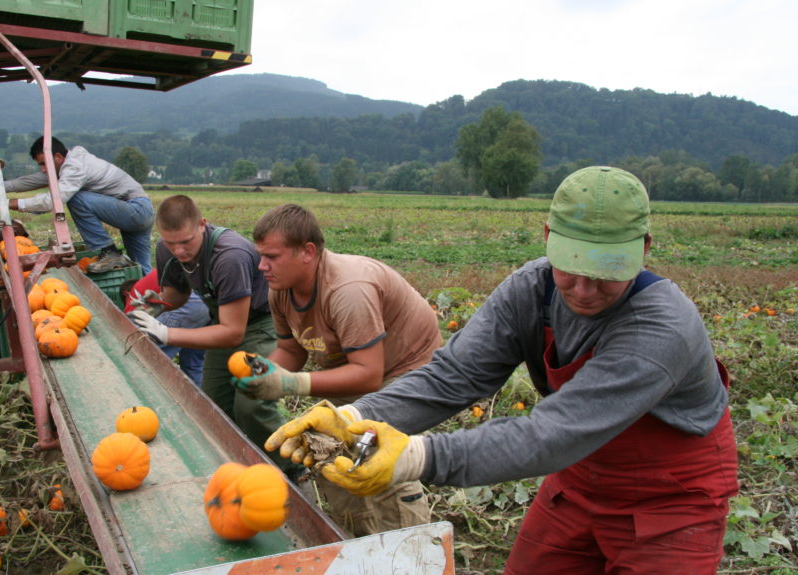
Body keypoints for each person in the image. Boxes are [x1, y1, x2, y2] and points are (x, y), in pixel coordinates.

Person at [266, 166, 739, 573]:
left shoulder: (661, 327)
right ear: (549, 238)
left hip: (670, 502)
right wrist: (353, 418)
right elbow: (452, 375)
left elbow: (554, 433)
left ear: (644, 248)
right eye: (571, 267)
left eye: (607, 270)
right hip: (579, 482)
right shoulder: (531, 291)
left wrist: (418, 457)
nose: (585, 289)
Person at [229, 203, 440, 536]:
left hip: (408, 370)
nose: (262, 266)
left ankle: (411, 549)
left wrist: (292, 383)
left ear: (307, 252)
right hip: (356, 365)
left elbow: (370, 375)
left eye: (272, 256)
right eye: (261, 255)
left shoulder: (348, 291)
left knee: (380, 459)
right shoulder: (280, 289)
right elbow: (290, 349)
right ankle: (360, 543)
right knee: (333, 456)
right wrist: (264, 373)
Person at [126, 195, 297, 473]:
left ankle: (291, 470)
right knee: (214, 406)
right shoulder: (166, 248)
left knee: (252, 403)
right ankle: (238, 461)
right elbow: (177, 294)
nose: (179, 251)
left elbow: (233, 333)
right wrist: (155, 303)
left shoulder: (230, 256)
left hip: (262, 323)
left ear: (202, 225)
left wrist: (167, 334)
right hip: (222, 320)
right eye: (171, 243)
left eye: (186, 242)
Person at [0, 137, 154, 274]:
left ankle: (108, 251)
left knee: (76, 198)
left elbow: (52, 200)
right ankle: (157, 313)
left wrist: (6, 203)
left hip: (135, 210)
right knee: (141, 270)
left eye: (43, 163)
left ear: (58, 157)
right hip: (139, 211)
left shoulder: (74, 168)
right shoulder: (65, 165)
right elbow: (33, 180)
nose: (43, 169)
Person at [121, 270, 208, 386]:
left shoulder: (131, 298)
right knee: (193, 364)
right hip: (205, 300)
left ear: (124, 293)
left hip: (185, 301)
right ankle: (198, 401)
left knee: (147, 357)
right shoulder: (146, 283)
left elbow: (129, 328)